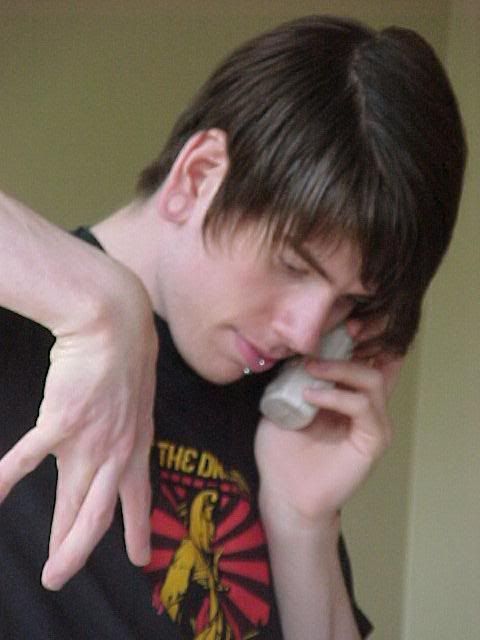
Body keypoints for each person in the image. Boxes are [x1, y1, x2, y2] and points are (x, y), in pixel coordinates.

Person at [0, 14, 466, 640]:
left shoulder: (280, 419)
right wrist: (106, 300)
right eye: (292, 265)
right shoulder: (27, 326)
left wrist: (302, 523)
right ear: (197, 177)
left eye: (347, 303)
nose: (306, 334)